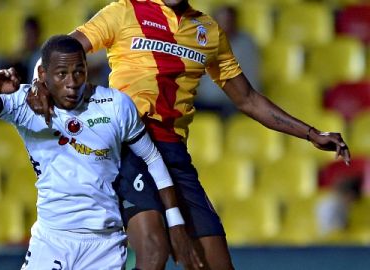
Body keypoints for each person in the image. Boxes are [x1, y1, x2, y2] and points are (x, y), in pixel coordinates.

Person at [27, 1, 351, 269]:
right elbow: (59, 54)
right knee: (154, 251)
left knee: (215, 264)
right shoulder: (124, 12)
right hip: (126, 146)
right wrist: (38, 88)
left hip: (173, 154)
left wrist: (310, 133)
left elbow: (248, 99)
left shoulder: (207, 31)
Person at [0, 35, 201, 270]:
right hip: (52, 238)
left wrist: (175, 220)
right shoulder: (26, 102)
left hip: (104, 243)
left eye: (79, 72)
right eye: (62, 74)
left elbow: (152, 158)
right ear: (43, 75)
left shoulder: (116, 105)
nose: (72, 83)